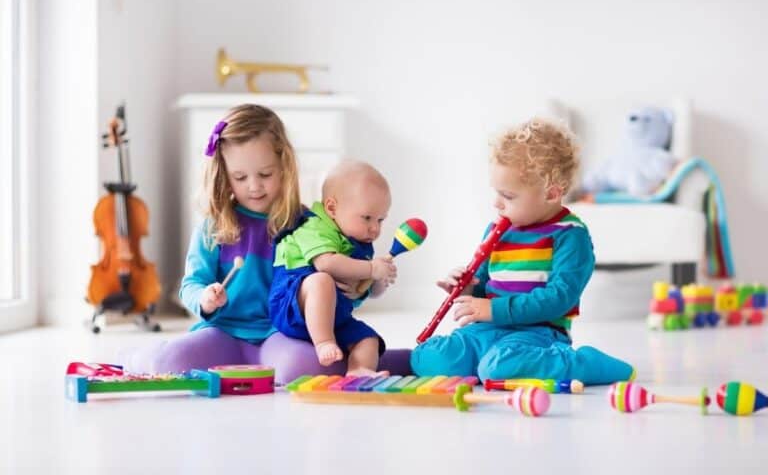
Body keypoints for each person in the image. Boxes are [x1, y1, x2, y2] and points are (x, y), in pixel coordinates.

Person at [121, 105, 411, 382]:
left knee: (312, 367)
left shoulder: (307, 224)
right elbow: (191, 285)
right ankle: (136, 357)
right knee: (170, 364)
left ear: (284, 166)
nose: (254, 186)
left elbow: (335, 287)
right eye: (240, 177)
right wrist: (205, 299)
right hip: (223, 332)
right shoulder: (214, 226)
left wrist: (354, 288)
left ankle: (393, 363)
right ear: (224, 175)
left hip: (281, 335)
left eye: (265, 174)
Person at [410, 118, 635, 384]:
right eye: (496, 193)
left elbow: (558, 299)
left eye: (508, 196)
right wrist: (468, 288)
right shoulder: (497, 230)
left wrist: (495, 309)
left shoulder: (570, 236)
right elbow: (484, 289)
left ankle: (585, 364)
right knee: (429, 358)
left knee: (497, 367)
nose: (497, 204)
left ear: (551, 194)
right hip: (488, 329)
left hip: (538, 334)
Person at [269, 161, 396, 376]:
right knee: (322, 280)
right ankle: (323, 343)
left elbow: (368, 290)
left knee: (368, 339)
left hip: (335, 316)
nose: (375, 228)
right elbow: (326, 264)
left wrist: (379, 280)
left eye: (381, 220)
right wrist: (371, 269)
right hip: (292, 307)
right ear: (331, 208)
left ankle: (360, 370)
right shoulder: (312, 227)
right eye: (367, 218)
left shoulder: (359, 242)